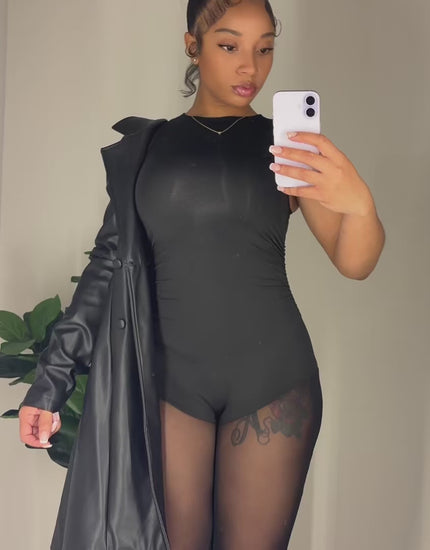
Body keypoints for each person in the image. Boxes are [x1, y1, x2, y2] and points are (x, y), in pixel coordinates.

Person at [18, 0, 385, 548]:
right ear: (193, 44)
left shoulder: (289, 148)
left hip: (272, 383)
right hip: (170, 386)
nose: (250, 67)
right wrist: (51, 381)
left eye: (265, 49)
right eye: (229, 46)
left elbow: (354, 262)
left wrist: (359, 202)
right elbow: (107, 266)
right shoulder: (147, 150)